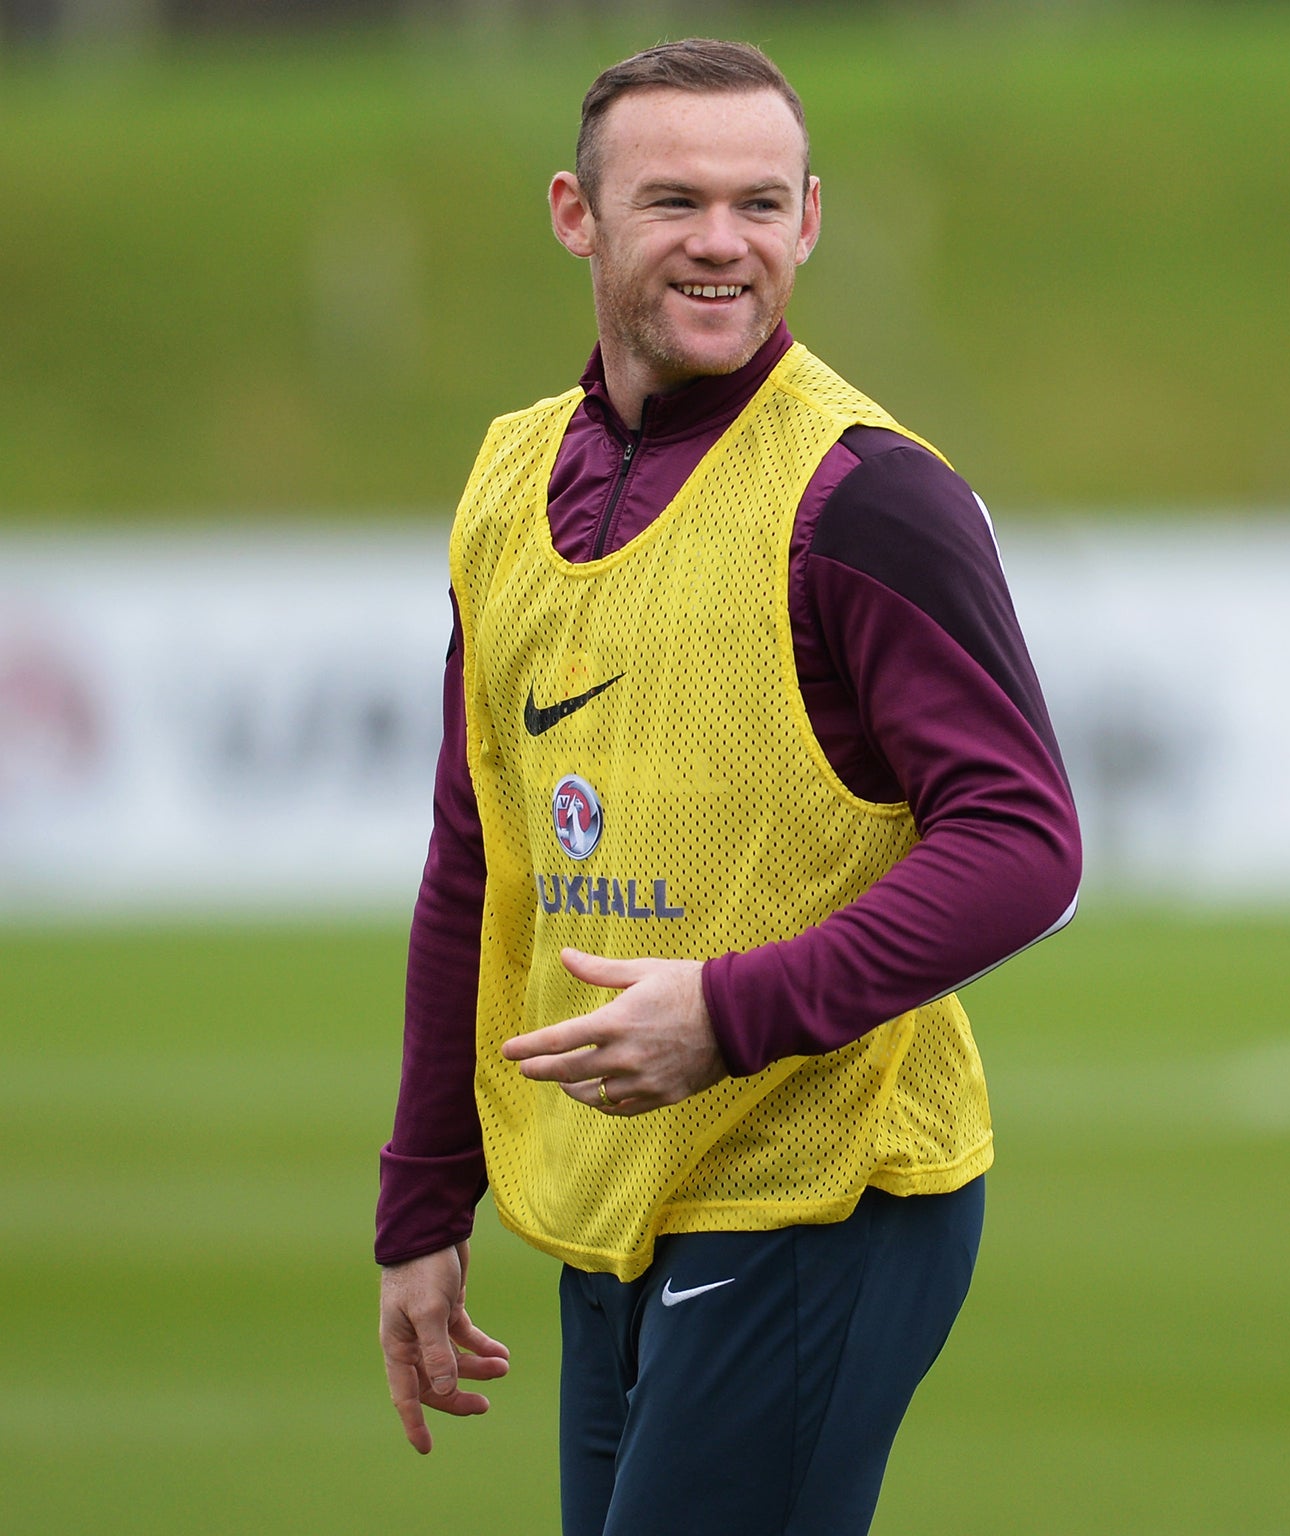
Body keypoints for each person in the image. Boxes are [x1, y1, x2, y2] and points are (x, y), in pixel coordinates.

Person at [373, 38, 1082, 1536]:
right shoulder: (509, 480)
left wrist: (728, 1011)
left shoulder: (867, 497)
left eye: (761, 203)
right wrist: (425, 1200)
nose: (721, 241)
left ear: (811, 221)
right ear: (577, 214)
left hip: (825, 1193)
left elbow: (1025, 841)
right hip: (620, 1195)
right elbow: (473, 857)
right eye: (674, 199)